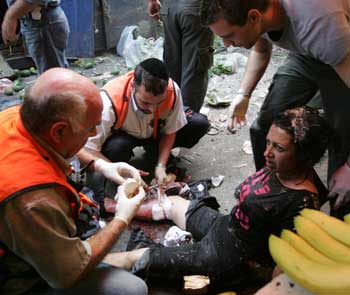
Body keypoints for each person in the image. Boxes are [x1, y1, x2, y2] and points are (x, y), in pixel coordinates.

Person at [104, 106, 331, 292]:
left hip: (226, 257)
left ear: (304, 155)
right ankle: (118, 207)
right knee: (170, 204)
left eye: (278, 148)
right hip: (226, 226)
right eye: (268, 142)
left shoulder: (302, 204)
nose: (266, 153)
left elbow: (284, 267)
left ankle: (78, 269)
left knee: (135, 258)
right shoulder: (284, 167)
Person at [0, 68, 148, 295]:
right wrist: (121, 218)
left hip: (20, 228)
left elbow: (54, 145)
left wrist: (101, 165)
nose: (96, 132)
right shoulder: (33, 199)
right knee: (131, 290)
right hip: (12, 276)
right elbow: (66, 275)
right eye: (90, 128)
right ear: (59, 131)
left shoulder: (17, 117)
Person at [200, 0, 350, 180]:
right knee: (265, 125)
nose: (225, 44)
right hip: (306, 56)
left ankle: (339, 202)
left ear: (254, 17)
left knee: (341, 140)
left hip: (343, 54)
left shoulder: (318, 22)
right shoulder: (259, 14)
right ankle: (270, 193)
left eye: (229, 35)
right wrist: (243, 94)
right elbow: (261, 51)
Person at [78, 58, 210, 188]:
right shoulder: (109, 102)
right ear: (132, 86)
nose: (152, 110)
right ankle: (126, 162)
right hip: (124, 136)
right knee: (117, 148)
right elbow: (88, 149)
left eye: (159, 103)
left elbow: (171, 130)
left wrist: (161, 165)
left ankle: (154, 149)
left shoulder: (172, 91)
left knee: (198, 123)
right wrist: (113, 170)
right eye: (146, 103)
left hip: (155, 131)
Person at [147, 0, 214, 112]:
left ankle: (169, 116)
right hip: (195, 7)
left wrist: (152, 1)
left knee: (172, 64)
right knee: (193, 68)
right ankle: (186, 121)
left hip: (168, 8)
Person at [2, 0, 69, 74]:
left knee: (52, 77)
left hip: (42, 22)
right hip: (34, 21)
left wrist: (11, 17)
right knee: (52, 73)